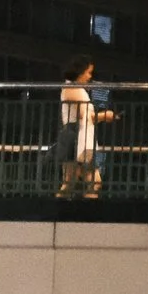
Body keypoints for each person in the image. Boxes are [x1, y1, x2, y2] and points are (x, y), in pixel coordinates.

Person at [55, 56, 111, 199]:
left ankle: (82, 214)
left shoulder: (76, 89)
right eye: (88, 72)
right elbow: (83, 115)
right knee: (72, 182)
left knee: (86, 181)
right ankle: (57, 212)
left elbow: (86, 115)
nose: (89, 76)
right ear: (79, 72)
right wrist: (104, 116)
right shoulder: (71, 88)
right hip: (75, 135)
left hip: (81, 136)